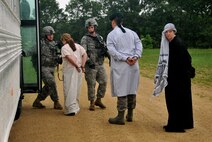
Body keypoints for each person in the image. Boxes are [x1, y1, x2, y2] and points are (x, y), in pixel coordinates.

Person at [153, 23, 195, 132]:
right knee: (182, 101)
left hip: (178, 78)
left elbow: (183, 61)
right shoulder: (172, 43)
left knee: (174, 101)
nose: (168, 34)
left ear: (174, 31)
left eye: (170, 31)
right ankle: (184, 123)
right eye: (166, 32)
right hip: (179, 77)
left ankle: (176, 126)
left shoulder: (177, 43)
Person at [106, 12, 143, 125]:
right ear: (122, 22)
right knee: (131, 89)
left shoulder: (111, 35)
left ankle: (120, 116)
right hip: (134, 65)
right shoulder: (132, 33)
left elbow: (112, 51)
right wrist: (135, 57)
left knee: (122, 90)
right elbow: (139, 46)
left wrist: (126, 58)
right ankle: (130, 114)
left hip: (121, 66)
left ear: (113, 22)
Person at [81, 18, 110, 111]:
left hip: (100, 64)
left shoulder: (100, 38)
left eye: (92, 26)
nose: (91, 28)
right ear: (87, 28)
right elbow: (83, 52)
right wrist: (89, 61)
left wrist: (109, 56)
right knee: (91, 84)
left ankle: (99, 99)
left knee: (104, 81)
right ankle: (92, 102)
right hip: (91, 65)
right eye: (89, 27)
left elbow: (105, 48)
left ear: (95, 27)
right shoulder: (85, 39)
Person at [32, 26, 63, 110]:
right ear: (45, 35)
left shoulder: (54, 44)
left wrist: (59, 57)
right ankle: (56, 102)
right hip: (43, 67)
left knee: (49, 87)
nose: (51, 36)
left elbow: (58, 54)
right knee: (52, 83)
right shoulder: (40, 43)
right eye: (49, 35)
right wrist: (24, 52)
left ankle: (37, 101)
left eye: (52, 34)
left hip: (52, 67)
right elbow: (31, 50)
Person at [60, 33, 87, 116]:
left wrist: (76, 66)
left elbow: (69, 58)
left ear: (63, 40)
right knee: (76, 88)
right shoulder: (78, 46)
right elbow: (85, 54)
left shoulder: (64, 47)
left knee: (69, 88)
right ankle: (76, 107)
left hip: (70, 70)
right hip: (78, 70)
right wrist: (82, 66)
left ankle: (70, 109)